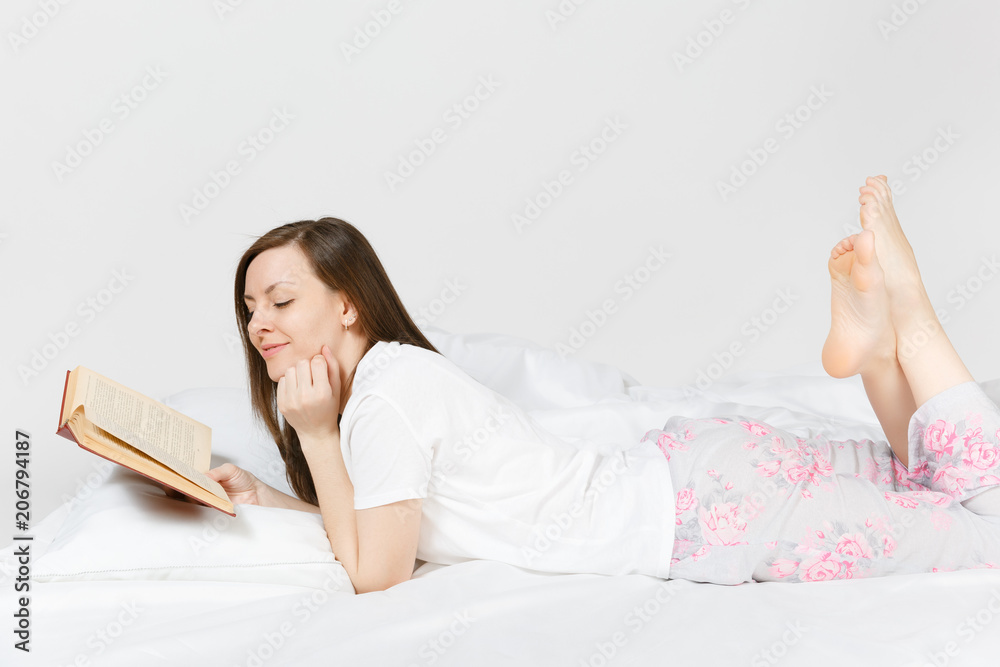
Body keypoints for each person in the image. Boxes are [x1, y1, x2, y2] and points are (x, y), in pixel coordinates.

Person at [204, 175, 1000, 591]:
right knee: (936, 489)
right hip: (701, 480)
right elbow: (378, 525)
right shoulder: (389, 386)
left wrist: (312, 434)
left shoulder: (382, 400)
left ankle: (910, 315)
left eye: (281, 300)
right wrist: (269, 499)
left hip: (708, 509)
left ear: (346, 303)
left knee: (988, 527)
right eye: (249, 308)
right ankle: (878, 354)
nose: (259, 325)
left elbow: (375, 572)